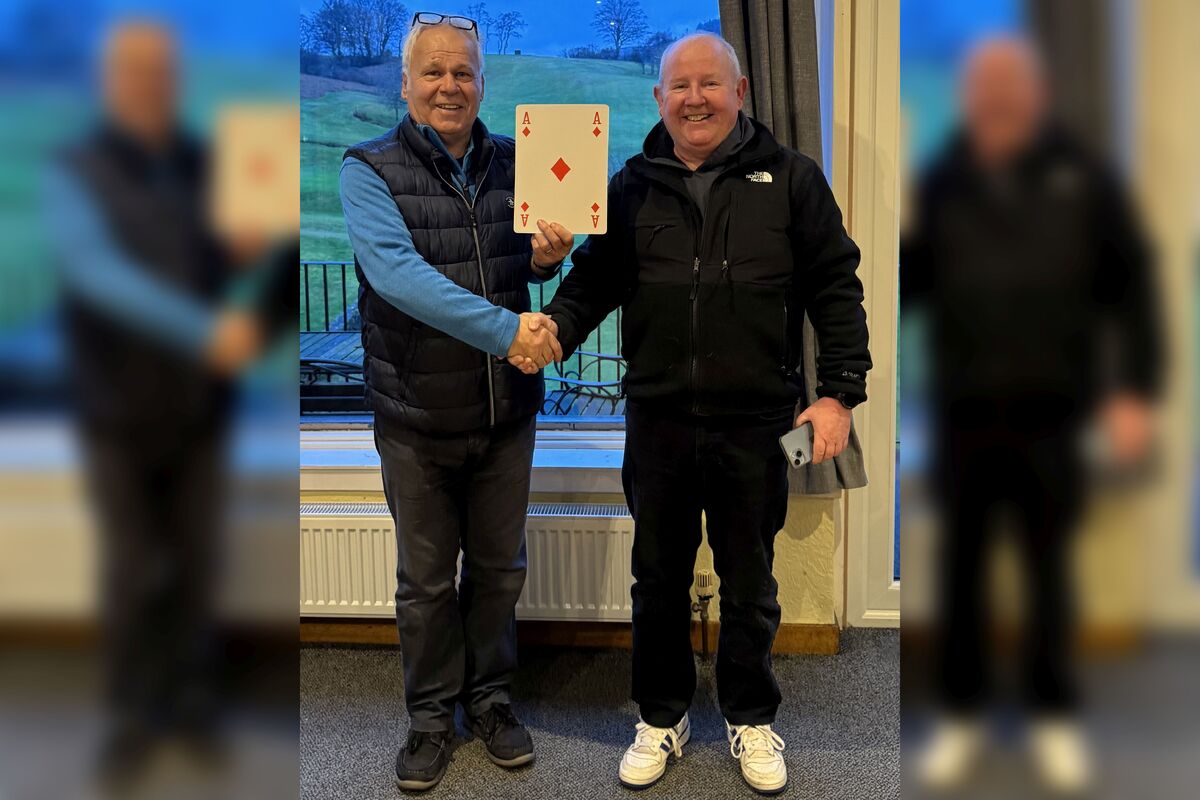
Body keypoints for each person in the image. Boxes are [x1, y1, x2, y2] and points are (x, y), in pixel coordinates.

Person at [539, 33, 871, 795]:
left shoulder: (793, 179)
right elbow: (593, 282)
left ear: (740, 91)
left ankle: (751, 716)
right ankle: (662, 716)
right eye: (679, 86)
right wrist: (553, 329)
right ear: (659, 99)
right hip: (657, 420)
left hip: (758, 423)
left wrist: (838, 393)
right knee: (656, 580)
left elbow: (836, 288)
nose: (695, 99)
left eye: (710, 84)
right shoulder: (630, 186)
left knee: (750, 582)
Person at [902, 37, 1162, 795]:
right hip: (963, 412)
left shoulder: (1084, 176)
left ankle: (1053, 712)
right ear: (970, 98)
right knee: (962, 572)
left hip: (1054, 411)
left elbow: (1133, 287)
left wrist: (1135, 390)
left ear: (1037, 95)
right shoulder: (944, 179)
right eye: (985, 87)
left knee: (1049, 572)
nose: (998, 100)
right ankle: (961, 713)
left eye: (1010, 86)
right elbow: (913, 280)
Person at [50, 20, 290, 789]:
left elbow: (214, 264)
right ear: (109, 79)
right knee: (129, 570)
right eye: (134, 69)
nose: (149, 83)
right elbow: (96, 275)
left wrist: (242, 253)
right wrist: (205, 330)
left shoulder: (204, 160)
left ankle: (189, 704)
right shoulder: (74, 170)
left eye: (161, 70)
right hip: (115, 411)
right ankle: (130, 713)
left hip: (200, 410)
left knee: (195, 563)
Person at [338, 12, 573, 792]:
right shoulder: (367, 169)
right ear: (405, 83)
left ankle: (492, 702)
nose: (449, 85)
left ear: (483, 82)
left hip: (506, 414)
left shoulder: (519, 161)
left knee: (500, 571)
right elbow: (399, 278)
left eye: (463, 71)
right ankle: (431, 719)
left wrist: (546, 260)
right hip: (417, 417)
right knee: (426, 583)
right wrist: (509, 331)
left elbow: (517, 269)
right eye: (433, 71)